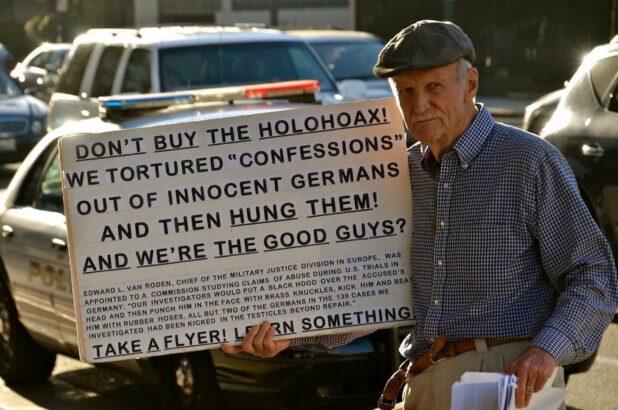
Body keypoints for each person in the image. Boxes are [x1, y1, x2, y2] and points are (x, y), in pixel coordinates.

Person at [221, 20, 618, 410]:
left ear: (471, 84)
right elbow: (370, 297)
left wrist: (546, 351)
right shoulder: (399, 174)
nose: (418, 105)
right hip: (423, 379)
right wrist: (290, 334)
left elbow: (593, 273)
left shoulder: (529, 161)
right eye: (406, 91)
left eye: (433, 88)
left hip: (504, 381)